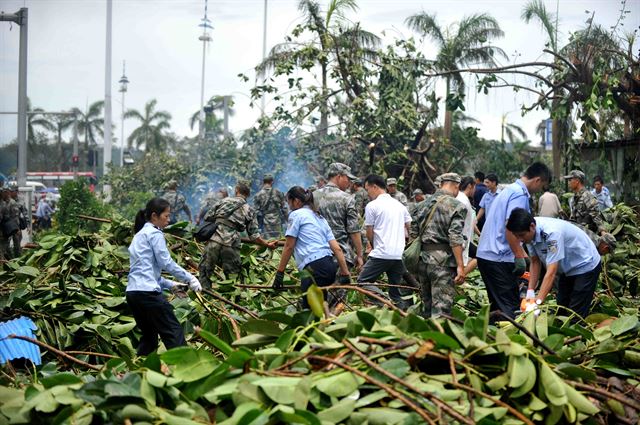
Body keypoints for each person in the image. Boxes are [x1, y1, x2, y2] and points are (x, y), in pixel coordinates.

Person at [126, 197, 202, 355]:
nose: (169, 220)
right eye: (166, 216)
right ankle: (185, 369)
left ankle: (139, 371)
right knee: (173, 332)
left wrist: (171, 285)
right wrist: (190, 278)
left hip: (133, 294)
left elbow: (146, 273)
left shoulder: (139, 236)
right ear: (154, 216)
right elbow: (166, 263)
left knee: (149, 338)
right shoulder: (154, 234)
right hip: (149, 294)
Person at [476, 162, 551, 318]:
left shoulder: (508, 190)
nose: (539, 190)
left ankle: (490, 337)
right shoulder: (519, 194)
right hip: (499, 257)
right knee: (509, 310)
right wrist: (519, 255)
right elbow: (511, 227)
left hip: (487, 256)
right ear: (537, 180)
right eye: (541, 186)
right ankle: (509, 341)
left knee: (498, 308)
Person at [507, 208, 602, 318]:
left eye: (521, 235)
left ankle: (578, 332)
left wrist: (538, 302)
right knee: (562, 306)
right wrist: (530, 291)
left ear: (532, 226)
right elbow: (535, 261)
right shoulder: (527, 233)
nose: (519, 239)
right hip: (567, 268)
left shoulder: (551, 234)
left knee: (575, 313)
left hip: (585, 264)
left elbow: (551, 272)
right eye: (517, 236)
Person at [273, 186, 351, 307]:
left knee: (309, 310)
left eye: (289, 202)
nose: (289, 206)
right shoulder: (319, 217)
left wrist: (280, 273)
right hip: (329, 267)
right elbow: (337, 248)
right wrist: (345, 273)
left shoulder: (296, 215)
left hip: (313, 269)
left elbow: (289, 246)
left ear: (296, 201)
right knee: (320, 307)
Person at [199, 182, 276, 287]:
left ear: (236, 191)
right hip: (231, 244)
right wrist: (267, 244)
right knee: (233, 275)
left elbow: (207, 217)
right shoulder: (249, 210)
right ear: (247, 195)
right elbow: (254, 236)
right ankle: (231, 298)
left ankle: (204, 294)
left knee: (205, 271)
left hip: (214, 240)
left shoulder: (223, 201)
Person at [411, 173, 467, 318]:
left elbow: (413, 235)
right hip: (443, 264)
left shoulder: (421, 204)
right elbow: (455, 237)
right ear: (456, 186)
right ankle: (438, 338)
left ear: (441, 184)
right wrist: (460, 266)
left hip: (422, 261)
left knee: (427, 308)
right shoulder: (457, 206)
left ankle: (424, 338)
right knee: (441, 312)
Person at [357, 175, 412, 308]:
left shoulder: (372, 206)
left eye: (367, 189)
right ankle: (401, 312)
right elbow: (410, 227)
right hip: (398, 255)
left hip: (381, 253)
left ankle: (384, 301)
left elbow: (369, 231)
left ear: (374, 187)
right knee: (395, 291)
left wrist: (372, 244)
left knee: (362, 281)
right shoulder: (400, 205)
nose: (367, 193)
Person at [313, 163, 364, 271]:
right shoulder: (347, 199)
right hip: (341, 258)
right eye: (348, 178)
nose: (350, 183)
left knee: (319, 288)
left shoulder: (313, 196)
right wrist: (359, 255)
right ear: (339, 176)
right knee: (340, 287)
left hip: (316, 256)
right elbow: (354, 230)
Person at [565, 170, 606, 235]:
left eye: (570, 180)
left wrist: (602, 231)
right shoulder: (574, 198)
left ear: (577, 181)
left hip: (586, 235)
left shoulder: (587, 196)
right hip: (577, 233)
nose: (568, 182)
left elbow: (595, 214)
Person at [253, 174, 288, 239]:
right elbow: (284, 208)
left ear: (263, 182)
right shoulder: (278, 193)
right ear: (272, 182)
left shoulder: (258, 195)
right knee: (278, 242)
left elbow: (255, 212)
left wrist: (255, 225)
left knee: (266, 241)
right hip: (277, 222)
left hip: (265, 223)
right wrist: (288, 221)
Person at [457, 176, 477, 273]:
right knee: (479, 256)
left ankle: (461, 276)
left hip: (463, 237)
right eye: (475, 187)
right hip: (460, 237)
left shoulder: (462, 198)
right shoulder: (463, 200)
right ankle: (461, 276)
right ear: (470, 186)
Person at [8, 185, 26, 258]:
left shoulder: (20, 201)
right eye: (11, 191)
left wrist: (28, 226)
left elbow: (25, 213)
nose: (11, 193)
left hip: (17, 227)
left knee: (17, 246)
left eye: (13, 191)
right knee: (6, 246)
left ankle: (18, 261)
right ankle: (9, 260)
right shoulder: (5, 201)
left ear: (17, 192)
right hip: (7, 227)